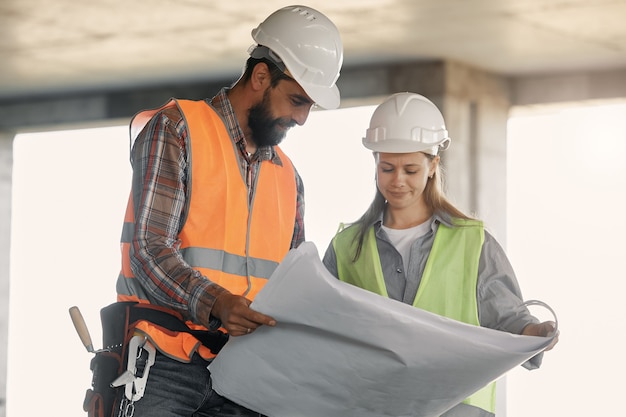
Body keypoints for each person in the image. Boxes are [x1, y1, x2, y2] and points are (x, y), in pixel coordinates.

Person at [109, 5, 343, 417]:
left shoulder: (289, 177)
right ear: (260, 77)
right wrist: (218, 304)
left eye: (309, 106)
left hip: (246, 376)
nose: (303, 118)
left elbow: (291, 284)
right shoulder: (177, 129)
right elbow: (149, 250)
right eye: (296, 101)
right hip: (166, 364)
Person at [322, 92, 559, 417]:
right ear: (375, 162)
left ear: (433, 166)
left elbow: (508, 320)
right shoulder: (346, 247)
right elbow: (322, 329)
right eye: (387, 168)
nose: (398, 181)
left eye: (410, 169)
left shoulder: (473, 244)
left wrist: (535, 333)